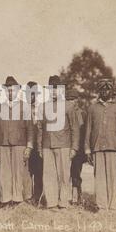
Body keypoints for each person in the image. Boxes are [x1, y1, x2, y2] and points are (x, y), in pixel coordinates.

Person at [85, 79, 116, 212]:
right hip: (97, 147)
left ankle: (113, 206)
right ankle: (102, 206)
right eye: (102, 90)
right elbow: (88, 130)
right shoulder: (92, 108)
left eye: (108, 89)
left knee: (113, 177)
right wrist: (87, 149)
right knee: (99, 178)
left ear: (111, 91)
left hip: (114, 148)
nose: (105, 92)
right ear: (99, 92)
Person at [38, 76, 81, 209]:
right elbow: (40, 128)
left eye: (56, 89)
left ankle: (63, 202)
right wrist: (40, 146)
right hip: (47, 145)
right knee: (49, 175)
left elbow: (75, 128)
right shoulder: (43, 106)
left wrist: (74, 147)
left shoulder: (69, 106)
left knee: (64, 175)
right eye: (51, 89)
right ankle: (51, 203)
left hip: (64, 145)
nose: (54, 91)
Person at [0, 76, 33, 208]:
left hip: (19, 144)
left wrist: (29, 147)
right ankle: (5, 199)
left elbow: (30, 128)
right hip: (2, 144)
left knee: (18, 172)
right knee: (4, 173)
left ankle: (17, 199)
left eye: (13, 90)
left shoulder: (24, 107)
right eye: (8, 90)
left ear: (18, 91)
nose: (10, 92)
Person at [65, 89, 86, 205]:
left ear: (77, 100)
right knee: (64, 173)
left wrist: (81, 150)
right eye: (68, 99)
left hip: (78, 150)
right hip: (65, 147)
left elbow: (83, 133)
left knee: (76, 173)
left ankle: (76, 197)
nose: (71, 102)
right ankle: (65, 196)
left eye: (73, 99)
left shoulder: (82, 113)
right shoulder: (63, 112)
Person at [25, 81, 43, 205]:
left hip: (38, 143)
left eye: (33, 94)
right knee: (26, 171)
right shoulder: (22, 108)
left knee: (38, 171)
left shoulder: (41, 107)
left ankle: (37, 197)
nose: (30, 96)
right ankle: (27, 195)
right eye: (28, 94)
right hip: (26, 142)